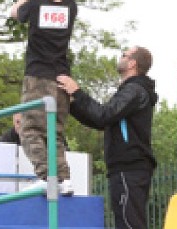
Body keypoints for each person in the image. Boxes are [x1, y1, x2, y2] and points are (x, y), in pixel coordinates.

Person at [57, 46, 158, 229]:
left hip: (130, 167)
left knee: (129, 223)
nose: (120, 57)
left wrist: (77, 92)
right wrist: (72, 104)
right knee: (126, 221)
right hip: (125, 168)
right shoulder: (130, 90)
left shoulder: (134, 90)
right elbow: (100, 121)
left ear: (132, 63)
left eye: (124, 55)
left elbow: (104, 114)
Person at [10, 0, 77, 196]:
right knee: (54, 132)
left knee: (29, 130)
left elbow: (15, 12)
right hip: (61, 78)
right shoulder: (71, 6)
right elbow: (54, 0)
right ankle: (64, 178)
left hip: (38, 77)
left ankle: (45, 175)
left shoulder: (36, 4)